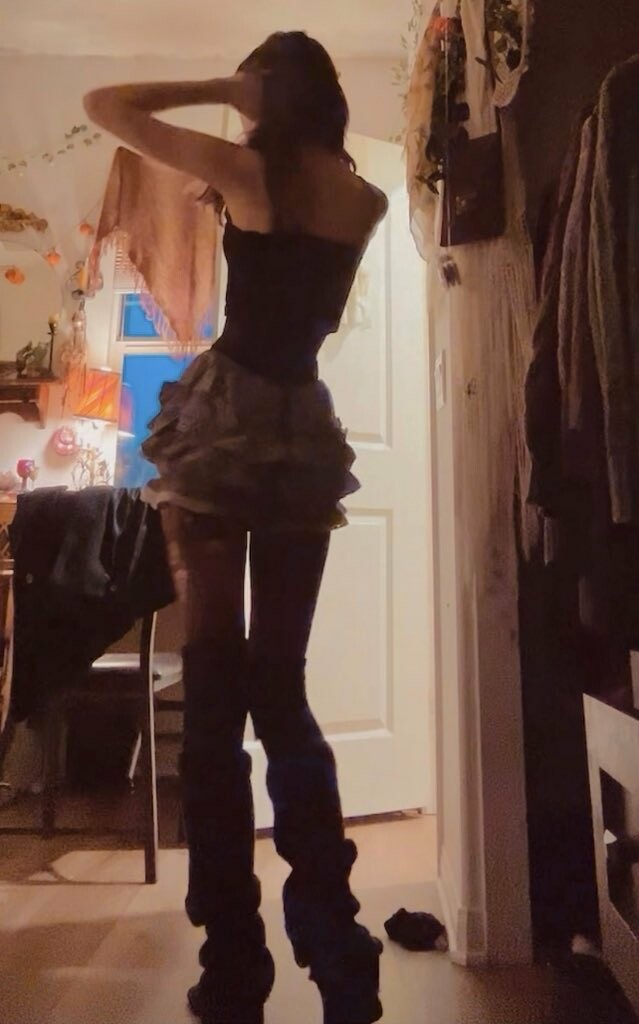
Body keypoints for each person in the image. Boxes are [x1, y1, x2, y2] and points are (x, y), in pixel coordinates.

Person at [84, 31, 388, 1024]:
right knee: (282, 692)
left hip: (225, 431)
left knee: (214, 702)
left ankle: (233, 969)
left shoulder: (251, 170)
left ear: (269, 92)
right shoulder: (364, 198)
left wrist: (220, 86)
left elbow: (105, 106)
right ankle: (339, 958)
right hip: (300, 433)